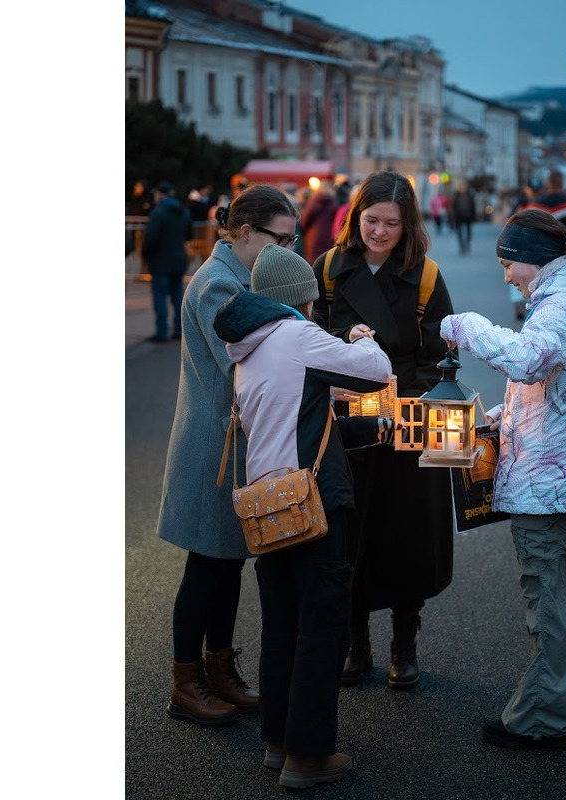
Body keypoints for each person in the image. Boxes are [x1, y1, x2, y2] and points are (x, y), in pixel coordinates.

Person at [213, 244, 395, 790]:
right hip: (311, 501)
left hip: (267, 505)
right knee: (322, 625)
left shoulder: (247, 348)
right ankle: (310, 755)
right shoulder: (297, 335)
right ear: (299, 301)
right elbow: (377, 373)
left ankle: (278, 740)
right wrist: (363, 340)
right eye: (310, 302)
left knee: (282, 623)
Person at [439, 208, 566, 750]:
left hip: (546, 479)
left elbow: (530, 360)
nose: (505, 276)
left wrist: (468, 326)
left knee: (547, 597)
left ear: (529, 260)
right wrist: (499, 419)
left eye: (507, 264)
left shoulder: (558, 307)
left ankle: (544, 714)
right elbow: (564, 391)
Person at [155, 184, 301, 727]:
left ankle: (220, 670)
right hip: (211, 446)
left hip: (231, 444)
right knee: (206, 567)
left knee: (228, 563)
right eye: (279, 240)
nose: (288, 251)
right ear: (243, 233)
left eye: (294, 239)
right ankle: (186, 682)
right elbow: (244, 365)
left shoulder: (245, 273)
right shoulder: (219, 283)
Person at [310, 170, 456, 691]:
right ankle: (356, 644)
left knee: (406, 538)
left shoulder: (425, 275)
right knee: (348, 535)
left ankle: (404, 642)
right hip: (345, 421)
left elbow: (440, 353)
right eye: (371, 220)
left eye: (391, 223)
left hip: (406, 426)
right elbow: (303, 333)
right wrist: (343, 335)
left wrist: (403, 402)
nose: (379, 231)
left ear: (407, 223)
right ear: (356, 217)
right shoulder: (327, 267)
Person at [142, 181, 192, 343]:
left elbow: (150, 238)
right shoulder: (184, 211)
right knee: (177, 296)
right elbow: (189, 235)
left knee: (160, 296)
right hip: (179, 259)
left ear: (160, 195)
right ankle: (178, 330)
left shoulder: (159, 212)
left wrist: (146, 256)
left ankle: (162, 332)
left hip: (160, 260)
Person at [300, 184, 339, 264]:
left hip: (313, 236)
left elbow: (305, 219)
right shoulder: (333, 204)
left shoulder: (313, 202)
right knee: (326, 262)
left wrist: (303, 230)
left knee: (313, 263)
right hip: (328, 236)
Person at [451, 181, 477, 254]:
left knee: (469, 232)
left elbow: (473, 206)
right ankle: (461, 245)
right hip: (459, 217)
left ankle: (467, 244)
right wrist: (454, 217)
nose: (462, 189)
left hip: (468, 216)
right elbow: (454, 208)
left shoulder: (470, 196)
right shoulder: (456, 197)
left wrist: (474, 215)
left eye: (464, 188)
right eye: (461, 188)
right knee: (459, 233)